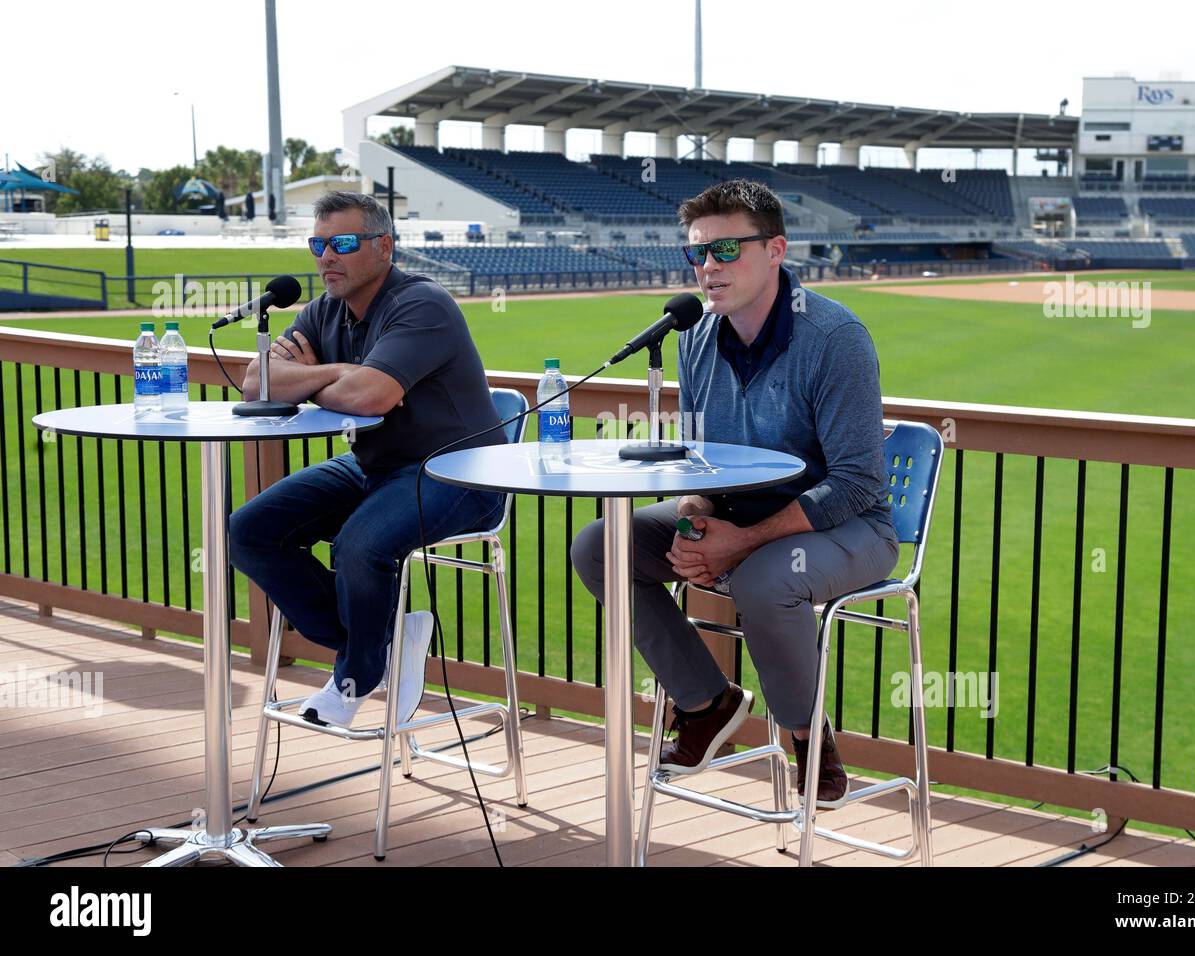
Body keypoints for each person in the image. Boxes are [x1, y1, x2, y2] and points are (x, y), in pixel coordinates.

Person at [571, 179, 898, 807]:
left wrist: (738, 544)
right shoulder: (695, 337)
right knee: (599, 546)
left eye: (726, 251)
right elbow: (698, 460)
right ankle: (706, 704)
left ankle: (810, 742)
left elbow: (858, 482)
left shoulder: (835, 338)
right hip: (735, 514)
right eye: (697, 253)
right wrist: (697, 530)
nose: (706, 267)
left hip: (845, 527)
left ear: (775, 250)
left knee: (764, 580)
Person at [229, 191, 506, 729]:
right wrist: (340, 374)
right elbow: (255, 381)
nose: (326, 256)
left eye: (343, 243)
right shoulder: (322, 308)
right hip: (375, 466)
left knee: (359, 544)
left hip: (458, 471)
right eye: (318, 244)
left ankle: (356, 676)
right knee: (248, 531)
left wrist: (316, 377)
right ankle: (384, 641)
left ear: (384, 247)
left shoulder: (422, 303)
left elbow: (368, 398)